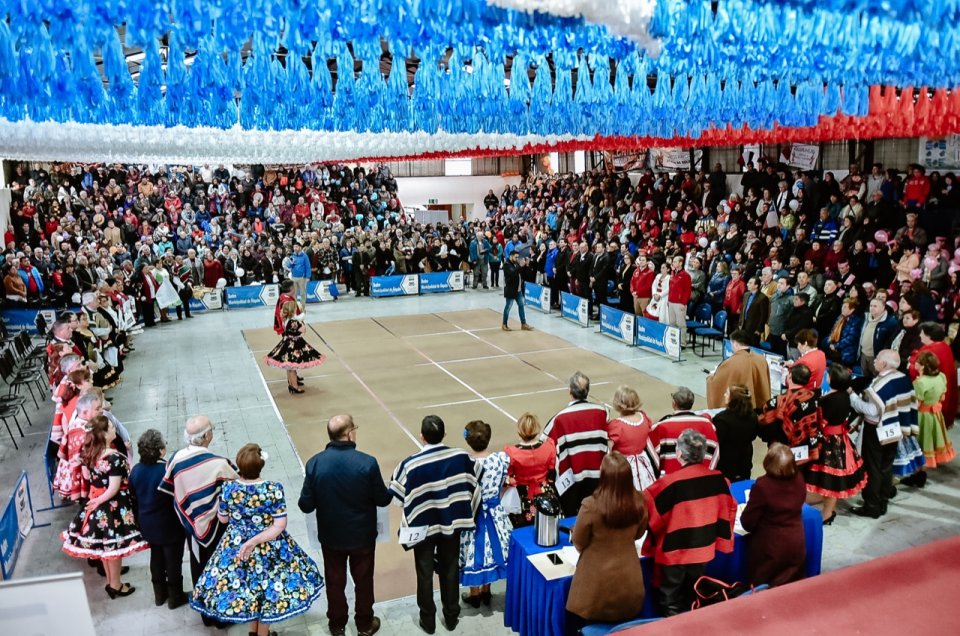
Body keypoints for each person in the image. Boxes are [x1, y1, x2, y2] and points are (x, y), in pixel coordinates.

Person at [190, 444, 324, 634]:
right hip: (269, 548)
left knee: (248, 591)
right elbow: (279, 525)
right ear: (260, 466)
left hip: (236, 546)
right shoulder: (272, 489)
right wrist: (254, 540)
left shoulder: (228, 488)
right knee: (268, 592)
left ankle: (254, 631)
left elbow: (223, 518)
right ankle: (263, 633)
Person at [298, 414, 391, 636]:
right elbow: (382, 499)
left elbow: (305, 505)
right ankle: (365, 624)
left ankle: (337, 625)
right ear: (349, 434)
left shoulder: (314, 463)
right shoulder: (367, 462)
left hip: (331, 538)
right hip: (362, 537)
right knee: (364, 581)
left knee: (335, 582)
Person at [389, 415, 481, 634]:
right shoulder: (461, 456)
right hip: (452, 524)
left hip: (423, 528)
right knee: (450, 568)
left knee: (424, 572)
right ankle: (451, 616)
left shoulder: (409, 465)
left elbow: (396, 498)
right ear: (445, 434)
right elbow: (475, 480)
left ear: (422, 437)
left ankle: (428, 621)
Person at [643, 429, 736, 616]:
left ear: (679, 454)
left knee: (670, 600)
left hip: (675, 552)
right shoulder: (719, 480)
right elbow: (728, 511)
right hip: (704, 549)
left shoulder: (666, 485)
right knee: (693, 593)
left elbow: (651, 518)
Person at [158, 416, 239, 628]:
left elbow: (170, 490)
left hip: (191, 526)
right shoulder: (219, 463)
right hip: (217, 526)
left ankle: (206, 613)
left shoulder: (175, 459)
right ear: (207, 436)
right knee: (220, 568)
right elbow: (235, 489)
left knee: (199, 567)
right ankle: (222, 616)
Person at [61, 415, 148, 598]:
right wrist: (100, 500)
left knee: (104, 550)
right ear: (103, 434)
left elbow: (87, 476)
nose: (114, 429)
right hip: (113, 509)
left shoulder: (89, 453)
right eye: (110, 427)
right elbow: (114, 488)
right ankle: (116, 585)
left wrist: (95, 498)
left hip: (96, 504)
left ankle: (111, 582)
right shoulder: (114, 458)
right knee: (114, 550)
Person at [565, 452, 648, 635]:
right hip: (630, 586)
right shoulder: (640, 501)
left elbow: (579, 541)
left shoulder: (591, 505)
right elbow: (639, 533)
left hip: (596, 591)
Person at [848, 350, 915, 518]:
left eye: (877, 359)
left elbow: (872, 410)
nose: (875, 360)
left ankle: (872, 506)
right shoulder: (903, 379)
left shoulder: (881, 384)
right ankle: (883, 501)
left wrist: (853, 398)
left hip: (876, 430)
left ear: (884, 364)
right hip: (895, 428)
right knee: (886, 466)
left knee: (873, 468)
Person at [129, 429, 188, 609]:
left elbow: (133, 496)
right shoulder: (166, 470)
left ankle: (159, 594)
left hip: (148, 524)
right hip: (169, 524)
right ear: (161, 450)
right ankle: (175, 596)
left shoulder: (136, 470)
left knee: (156, 557)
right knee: (173, 560)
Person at [804, 365, 867, 524]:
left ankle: (823, 512)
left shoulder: (827, 400)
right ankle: (828, 512)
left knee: (826, 479)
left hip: (827, 443)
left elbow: (820, 423)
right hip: (841, 441)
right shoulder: (845, 396)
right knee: (834, 481)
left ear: (831, 379)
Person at [541, 371, 609, 516]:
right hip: (598, 477)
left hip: (572, 480)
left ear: (570, 391)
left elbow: (545, 442)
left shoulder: (559, 418)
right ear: (588, 391)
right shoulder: (602, 411)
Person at [459, 420, 511, 608]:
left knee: (473, 552)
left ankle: (474, 594)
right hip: (496, 513)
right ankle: (486, 591)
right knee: (492, 550)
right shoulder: (500, 459)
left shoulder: (465, 464)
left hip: (473, 515)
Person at [740, 444, 807, 587]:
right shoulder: (799, 479)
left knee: (763, 587)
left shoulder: (763, 486)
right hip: (796, 541)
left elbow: (747, 522)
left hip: (771, 547)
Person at [649, 387, 720, 476]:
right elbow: (715, 451)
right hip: (701, 477)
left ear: (674, 403)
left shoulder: (662, 426)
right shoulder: (708, 425)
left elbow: (650, 456)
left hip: (672, 482)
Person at [504, 412, 557, 527]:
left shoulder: (512, 453)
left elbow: (508, 475)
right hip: (545, 492)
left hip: (522, 495)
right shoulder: (549, 447)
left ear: (519, 431)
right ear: (537, 429)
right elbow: (552, 471)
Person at [758, 364, 822, 460]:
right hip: (806, 449)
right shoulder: (814, 397)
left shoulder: (780, 400)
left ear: (790, 376)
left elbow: (765, 419)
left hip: (782, 449)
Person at [909, 351, 956, 481]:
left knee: (920, 444)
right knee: (929, 443)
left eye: (917, 363)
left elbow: (916, 404)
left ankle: (918, 474)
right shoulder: (941, 376)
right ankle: (921, 472)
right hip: (935, 415)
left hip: (922, 417)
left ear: (922, 366)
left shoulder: (920, 383)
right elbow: (942, 396)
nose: (915, 364)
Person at [265, 300, 326, 394]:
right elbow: (303, 329)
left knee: (289, 366)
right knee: (292, 366)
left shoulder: (285, 320)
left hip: (287, 343)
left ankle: (291, 383)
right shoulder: (294, 322)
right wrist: (301, 321)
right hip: (294, 344)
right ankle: (295, 386)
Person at [606, 385, 657, 491]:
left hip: (623, 467)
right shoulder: (644, 418)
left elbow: (607, 452)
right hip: (644, 465)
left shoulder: (616, 426)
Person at [706, 330, 771, 409]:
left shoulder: (730, 362)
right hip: (759, 409)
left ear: (735, 343)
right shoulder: (762, 359)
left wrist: (710, 378)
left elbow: (717, 383)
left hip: (739, 409)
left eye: (732, 344)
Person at [909, 322, 958, 426]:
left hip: (929, 397)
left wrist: (910, 365)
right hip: (941, 389)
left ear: (928, 336)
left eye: (921, 333)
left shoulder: (930, 350)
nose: (919, 335)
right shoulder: (944, 346)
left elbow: (918, 370)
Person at [712, 384, 758, 482]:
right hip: (745, 460)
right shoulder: (753, 416)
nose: (724, 395)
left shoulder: (722, 420)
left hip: (726, 463)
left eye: (727, 393)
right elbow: (753, 436)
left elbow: (717, 441)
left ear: (733, 399)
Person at [502, 250, 533, 331]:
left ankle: (523, 324)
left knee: (521, 306)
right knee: (508, 307)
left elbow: (521, 273)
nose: (517, 259)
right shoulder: (506, 265)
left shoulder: (515, 263)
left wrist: (525, 265)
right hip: (511, 290)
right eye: (515, 257)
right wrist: (520, 266)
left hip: (518, 290)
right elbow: (513, 274)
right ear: (511, 256)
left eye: (517, 257)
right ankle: (504, 324)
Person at [738, 276, 771, 345]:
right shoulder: (746, 295)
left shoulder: (763, 298)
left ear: (756, 285)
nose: (747, 284)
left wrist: (759, 329)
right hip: (743, 326)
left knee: (752, 348)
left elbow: (764, 315)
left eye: (750, 283)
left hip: (754, 328)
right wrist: (740, 323)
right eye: (748, 282)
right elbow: (743, 310)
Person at [666, 255, 691, 333]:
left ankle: (683, 343)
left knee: (681, 324)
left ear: (680, 263)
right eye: (673, 261)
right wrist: (668, 299)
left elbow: (687, 291)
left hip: (679, 303)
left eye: (675, 262)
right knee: (672, 323)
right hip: (671, 301)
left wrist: (683, 303)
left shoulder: (686, 275)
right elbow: (670, 288)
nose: (673, 263)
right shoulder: (673, 273)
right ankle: (674, 342)